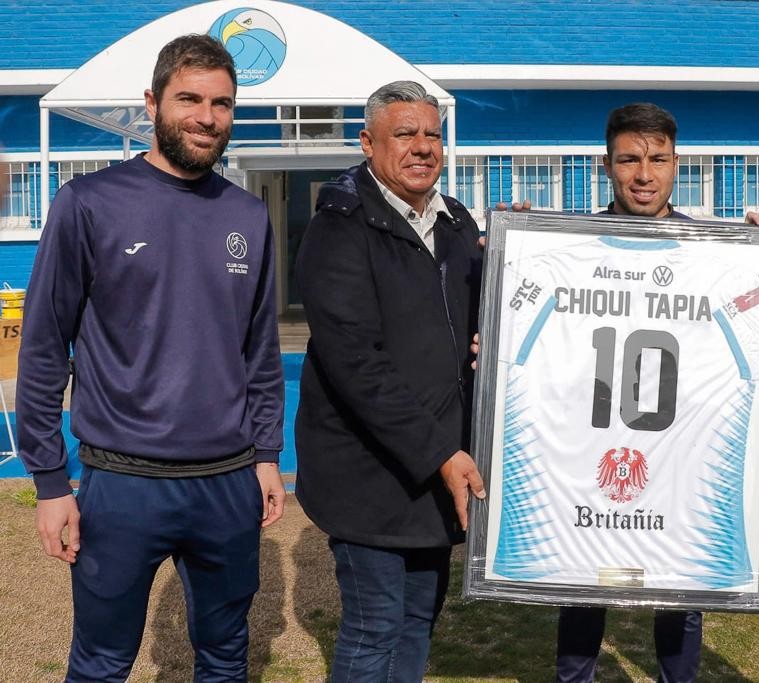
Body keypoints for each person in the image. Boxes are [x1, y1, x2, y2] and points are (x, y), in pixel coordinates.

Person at [16, 34, 285, 681]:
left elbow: (260, 351)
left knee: (225, 657)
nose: (205, 115)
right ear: (152, 103)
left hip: (227, 483)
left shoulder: (248, 216)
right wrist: (51, 482)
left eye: (222, 103)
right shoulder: (89, 204)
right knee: (103, 662)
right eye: (189, 98)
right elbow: (45, 344)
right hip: (123, 484)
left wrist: (268, 453)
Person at [555, 102, 759, 683]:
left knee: (678, 583)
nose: (644, 174)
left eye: (657, 159)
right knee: (581, 579)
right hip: (592, 442)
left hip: (678, 446)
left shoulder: (714, 253)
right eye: (629, 159)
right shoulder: (568, 248)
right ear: (605, 165)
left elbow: (754, 325)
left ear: (676, 164)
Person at [293, 80, 486, 682]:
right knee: (374, 623)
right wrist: (441, 455)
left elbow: (488, 312)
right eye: (405, 134)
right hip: (370, 472)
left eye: (432, 135)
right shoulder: (339, 228)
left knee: (418, 618)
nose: (422, 147)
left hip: (438, 471)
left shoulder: (456, 223)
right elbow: (357, 365)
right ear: (369, 143)